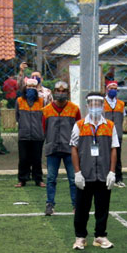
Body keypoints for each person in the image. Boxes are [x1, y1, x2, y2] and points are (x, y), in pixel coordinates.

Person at [71, 93, 119, 249]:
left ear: (103, 105)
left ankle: (100, 235)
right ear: (87, 105)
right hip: (86, 174)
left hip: (103, 174)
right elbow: (74, 149)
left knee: (102, 206)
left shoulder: (110, 125)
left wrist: (112, 172)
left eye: (98, 103)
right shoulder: (79, 125)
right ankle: (80, 237)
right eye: (92, 103)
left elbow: (114, 149)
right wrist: (77, 172)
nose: (95, 106)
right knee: (82, 207)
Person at [42, 81, 80, 216]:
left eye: (64, 91)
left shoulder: (74, 109)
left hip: (70, 150)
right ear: (54, 91)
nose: (61, 93)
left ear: (68, 93)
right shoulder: (46, 110)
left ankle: (76, 205)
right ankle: (50, 204)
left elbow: (78, 129)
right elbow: (44, 129)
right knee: (51, 178)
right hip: (52, 149)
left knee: (73, 179)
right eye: (58, 90)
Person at [15, 77, 45, 187]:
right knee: (23, 158)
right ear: (25, 87)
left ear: (37, 88)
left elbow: (44, 117)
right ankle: (22, 179)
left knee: (37, 159)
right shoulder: (19, 101)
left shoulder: (41, 101)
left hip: (38, 135)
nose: (31, 89)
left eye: (33, 87)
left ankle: (38, 179)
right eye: (29, 86)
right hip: (24, 135)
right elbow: (17, 116)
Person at [102, 81, 127, 187]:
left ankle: (118, 178)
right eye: (111, 88)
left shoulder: (121, 104)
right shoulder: (102, 103)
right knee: (104, 155)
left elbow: (123, 117)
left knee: (117, 156)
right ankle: (104, 177)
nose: (113, 90)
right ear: (106, 89)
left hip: (117, 133)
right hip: (104, 133)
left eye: (115, 89)